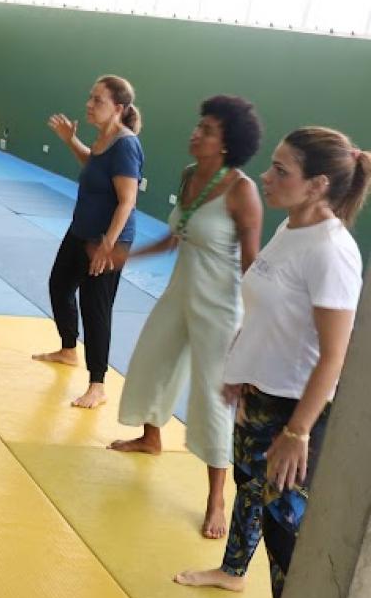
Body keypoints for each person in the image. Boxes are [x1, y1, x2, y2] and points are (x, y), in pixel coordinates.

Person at [175, 128, 367, 598]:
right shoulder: (291, 227)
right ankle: (232, 570)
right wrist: (240, 368)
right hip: (260, 394)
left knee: (285, 535)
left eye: (281, 170)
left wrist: (298, 432)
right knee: (248, 486)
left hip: (297, 409)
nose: (266, 176)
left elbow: (334, 356)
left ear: (318, 184)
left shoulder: (331, 252)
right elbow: (266, 309)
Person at [111, 97, 264, 539]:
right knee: (152, 360)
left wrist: (250, 328)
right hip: (179, 292)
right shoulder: (189, 175)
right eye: (199, 126)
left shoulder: (241, 190)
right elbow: (175, 237)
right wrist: (128, 255)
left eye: (208, 130)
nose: (196, 134)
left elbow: (250, 265)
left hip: (220, 306)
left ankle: (217, 498)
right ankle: (150, 436)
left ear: (227, 143)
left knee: (213, 396)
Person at [32, 75, 145, 408]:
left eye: (98, 100)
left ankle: (98, 384)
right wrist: (71, 140)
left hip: (105, 242)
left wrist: (108, 246)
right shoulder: (102, 140)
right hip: (79, 232)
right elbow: (95, 169)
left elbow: (127, 200)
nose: (89, 104)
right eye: (90, 97)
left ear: (119, 108)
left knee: (95, 309)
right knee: (59, 285)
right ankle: (69, 349)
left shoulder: (125, 144)